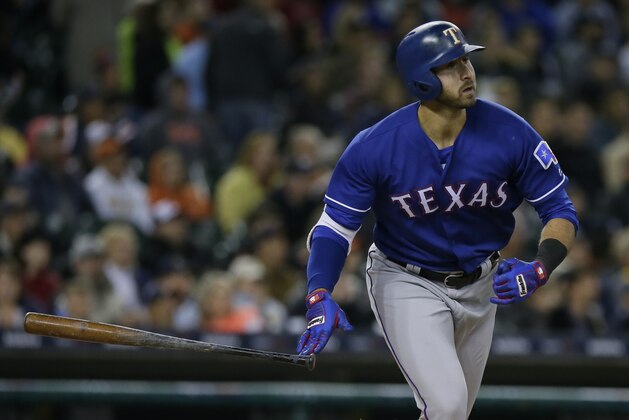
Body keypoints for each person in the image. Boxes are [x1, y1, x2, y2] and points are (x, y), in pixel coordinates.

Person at [295, 21, 578, 420]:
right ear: (421, 79)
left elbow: (560, 210)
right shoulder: (376, 146)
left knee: (454, 413)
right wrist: (318, 292)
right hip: (406, 280)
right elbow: (334, 228)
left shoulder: (511, 133)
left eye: (466, 60)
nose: (466, 72)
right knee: (445, 406)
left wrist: (541, 267)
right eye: (450, 65)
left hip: (483, 285)